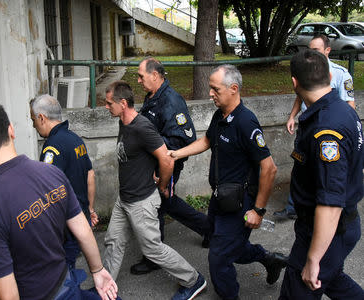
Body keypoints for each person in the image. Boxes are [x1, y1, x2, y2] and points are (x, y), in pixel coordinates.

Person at [0, 102, 117, 300]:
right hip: (67, 285)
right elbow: (83, 229)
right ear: (11, 130)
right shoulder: (51, 172)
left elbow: (7, 295)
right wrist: (97, 271)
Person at [169, 65, 287, 300]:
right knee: (224, 244)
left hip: (240, 204)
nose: (210, 93)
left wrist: (258, 210)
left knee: (219, 259)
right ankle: (269, 259)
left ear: (233, 89)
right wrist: (175, 154)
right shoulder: (220, 115)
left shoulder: (246, 122)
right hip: (220, 198)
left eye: (215, 89)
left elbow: (269, 168)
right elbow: (206, 141)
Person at [103, 81, 207, 300]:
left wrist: (161, 186)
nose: (105, 106)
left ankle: (193, 279)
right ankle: (105, 289)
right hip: (125, 199)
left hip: (141, 202)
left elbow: (167, 160)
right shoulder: (124, 122)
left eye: (108, 103)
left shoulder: (142, 127)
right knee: (113, 241)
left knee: (152, 249)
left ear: (122, 103)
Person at [279, 49, 364, 299]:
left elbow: (331, 202)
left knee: (298, 291)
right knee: (334, 279)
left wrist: (313, 258)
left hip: (328, 230)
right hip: (337, 227)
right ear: (328, 75)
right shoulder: (343, 110)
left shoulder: (326, 129)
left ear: (294, 83)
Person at [131, 57, 210, 275]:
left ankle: (153, 256)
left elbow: (185, 138)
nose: (138, 80)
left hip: (167, 165)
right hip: (153, 164)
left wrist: (153, 144)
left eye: (141, 76)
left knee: (157, 207)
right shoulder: (153, 97)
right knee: (167, 203)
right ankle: (209, 229)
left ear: (154, 75)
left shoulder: (171, 101)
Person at [275, 34, 355, 220]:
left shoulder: (341, 74)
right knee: (300, 165)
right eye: (309, 49)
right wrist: (292, 116)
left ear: (327, 50)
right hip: (307, 125)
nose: (311, 53)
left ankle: (326, 209)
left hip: (327, 131)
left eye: (316, 50)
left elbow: (350, 105)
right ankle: (293, 206)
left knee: (325, 172)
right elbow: (300, 95)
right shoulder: (306, 70)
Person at [30, 94, 98, 269]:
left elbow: (48, 189)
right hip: (81, 217)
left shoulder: (52, 147)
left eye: (33, 120)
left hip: (65, 227)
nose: (33, 125)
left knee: (63, 273)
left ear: (42, 118)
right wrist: (89, 209)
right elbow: (90, 175)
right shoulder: (75, 139)